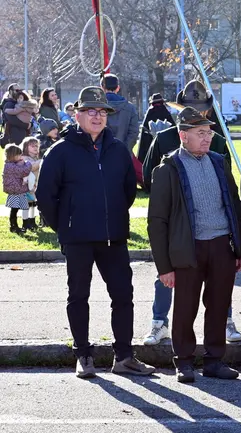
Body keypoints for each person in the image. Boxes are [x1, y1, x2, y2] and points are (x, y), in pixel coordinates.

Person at [36, 86, 155, 379]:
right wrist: (65, 226)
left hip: (113, 236)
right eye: (90, 111)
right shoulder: (60, 151)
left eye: (101, 111)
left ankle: (124, 357)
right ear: (77, 115)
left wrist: (112, 215)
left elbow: (128, 191)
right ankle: (84, 356)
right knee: (79, 296)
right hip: (77, 237)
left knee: (123, 295)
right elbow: (45, 195)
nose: (97, 116)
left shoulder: (118, 150)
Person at [148, 107, 241, 383]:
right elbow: (157, 221)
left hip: (221, 247)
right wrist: (164, 266)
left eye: (209, 133)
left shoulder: (218, 161)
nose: (207, 138)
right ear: (183, 136)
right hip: (187, 249)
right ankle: (184, 361)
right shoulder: (168, 169)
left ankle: (215, 360)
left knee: (218, 305)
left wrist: (238, 248)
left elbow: (233, 205)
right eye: (200, 133)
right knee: (185, 307)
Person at [140, 80, 240, 346]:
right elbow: (149, 177)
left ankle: (227, 322)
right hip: (179, 227)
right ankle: (159, 321)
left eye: (202, 108)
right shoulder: (163, 138)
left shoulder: (215, 141)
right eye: (190, 106)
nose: (198, 112)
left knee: (219, 287)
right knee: (173, 283)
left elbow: (228, 191)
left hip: (215, 233)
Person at [101, 74, 140, 153]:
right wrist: (124, 150)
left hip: (100, 153)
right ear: (118, 88)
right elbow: (134, 132)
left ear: (102, 87)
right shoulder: (130, 108)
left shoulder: (96, 107)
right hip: (123, 153)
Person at [137, 93, 174, 165]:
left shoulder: (149, 112)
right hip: (166, 149)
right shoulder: (165, 112)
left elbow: (143, 136)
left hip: (150, 149)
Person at [3, 144, 32, 234]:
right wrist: (27, 163)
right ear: (12, 155)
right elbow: (24, 171)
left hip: (19, 191)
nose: (21, 157)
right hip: (14, 191)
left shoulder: (13, 164)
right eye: (19, 155)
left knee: (24, 207)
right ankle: (13, 226)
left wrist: (21, 163)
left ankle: (25, 225)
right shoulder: (9, 166)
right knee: (14, 209)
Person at [20, 136, 42, 231]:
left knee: (33, 205)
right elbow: (31, 167)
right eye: (33, 146)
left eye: (37, 146)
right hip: (26, 187)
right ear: (25, 147)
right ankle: (25, 223)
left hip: (34, 186)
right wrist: (41, 161)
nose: (35, 148)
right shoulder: (24, 158)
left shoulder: (35, 158)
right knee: (27, 205)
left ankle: (32, 221)